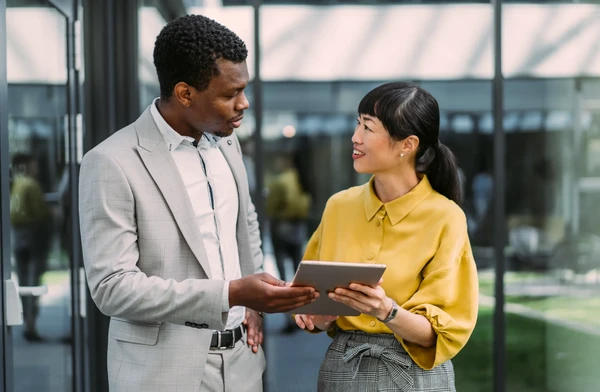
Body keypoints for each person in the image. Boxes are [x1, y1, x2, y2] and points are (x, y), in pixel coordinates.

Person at [78, 15, 317, 392]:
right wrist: (232, 293)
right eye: (229, 94)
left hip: (243, 363)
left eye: (244, 88)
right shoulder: (111, 161)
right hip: (162, 373)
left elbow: (246, 222)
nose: (244, 103)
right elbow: (113, 287)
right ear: (185, 93)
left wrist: (251, 306)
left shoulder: (227, 141)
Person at [294, 82, 479, 391]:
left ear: (407, 145)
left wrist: (386, 310)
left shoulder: (446, 218)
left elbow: (441, 333)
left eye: (368, 127)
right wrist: (319, 316)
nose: (355, 137)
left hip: (415, 373)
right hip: (343, 369)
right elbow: (312, 300)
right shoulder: (339, 207)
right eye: (357, 123)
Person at [265, 151, 312, 333]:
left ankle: (290, 318)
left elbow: (271, 206)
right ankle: (302, 314)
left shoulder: (282, 181)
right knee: (298, 273)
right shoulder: (303, 178)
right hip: (298, 227)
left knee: (282, 274)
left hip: (282, 227)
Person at [9, 153, 51, 342]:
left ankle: (27, 321)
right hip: (33, 237)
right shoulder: (31, 186)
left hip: (18, 237)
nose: (37, 168)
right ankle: (31, 324)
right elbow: (41, 213)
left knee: (25, 279)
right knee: (33, 281)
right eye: (34, 164)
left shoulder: (16, 185)